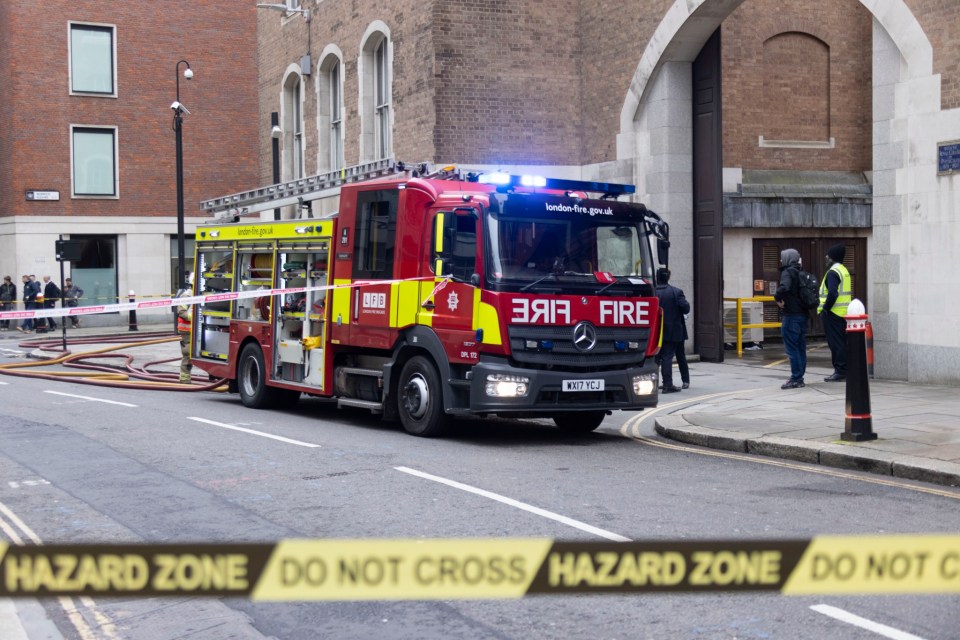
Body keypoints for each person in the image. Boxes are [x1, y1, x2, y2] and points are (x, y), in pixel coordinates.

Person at [774, 248, 808, 389]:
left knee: (792, 349)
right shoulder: (801, 272)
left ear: (787, 259)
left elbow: (784, 288)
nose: (781, 260)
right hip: (802, 316)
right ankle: (799, 376)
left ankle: (796, 378)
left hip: (791, 316)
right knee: (800, 348)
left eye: (782, 258)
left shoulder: (787, 272)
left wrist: (777, 298)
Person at [818, 244, 851, 382]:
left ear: (833, 257)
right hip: (842, 313)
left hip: (833, 313)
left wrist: (825, 308)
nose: (826, 257)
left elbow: (832, 293)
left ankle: (840, 371)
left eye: (828, 255)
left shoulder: (833, 272)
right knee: (841, 342)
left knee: (836, 343)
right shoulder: (843, 270)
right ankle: (843, 370)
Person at [655, 267, 690, 393]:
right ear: (668, 277)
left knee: (656, 358)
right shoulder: (676, 292)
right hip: (673, 331)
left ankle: (653, 383)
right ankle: (668, 384)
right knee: (669, 357)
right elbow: (686, 308)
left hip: (655, 331)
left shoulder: (652, 292)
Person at [175, 276, 193, 384]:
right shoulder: (187, 296)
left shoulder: (196, 295)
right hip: (187, 330)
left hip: (194, 330)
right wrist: (193, 318)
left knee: (191, 353)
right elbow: (181, 311)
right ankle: (185, 380)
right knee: (188, 353)